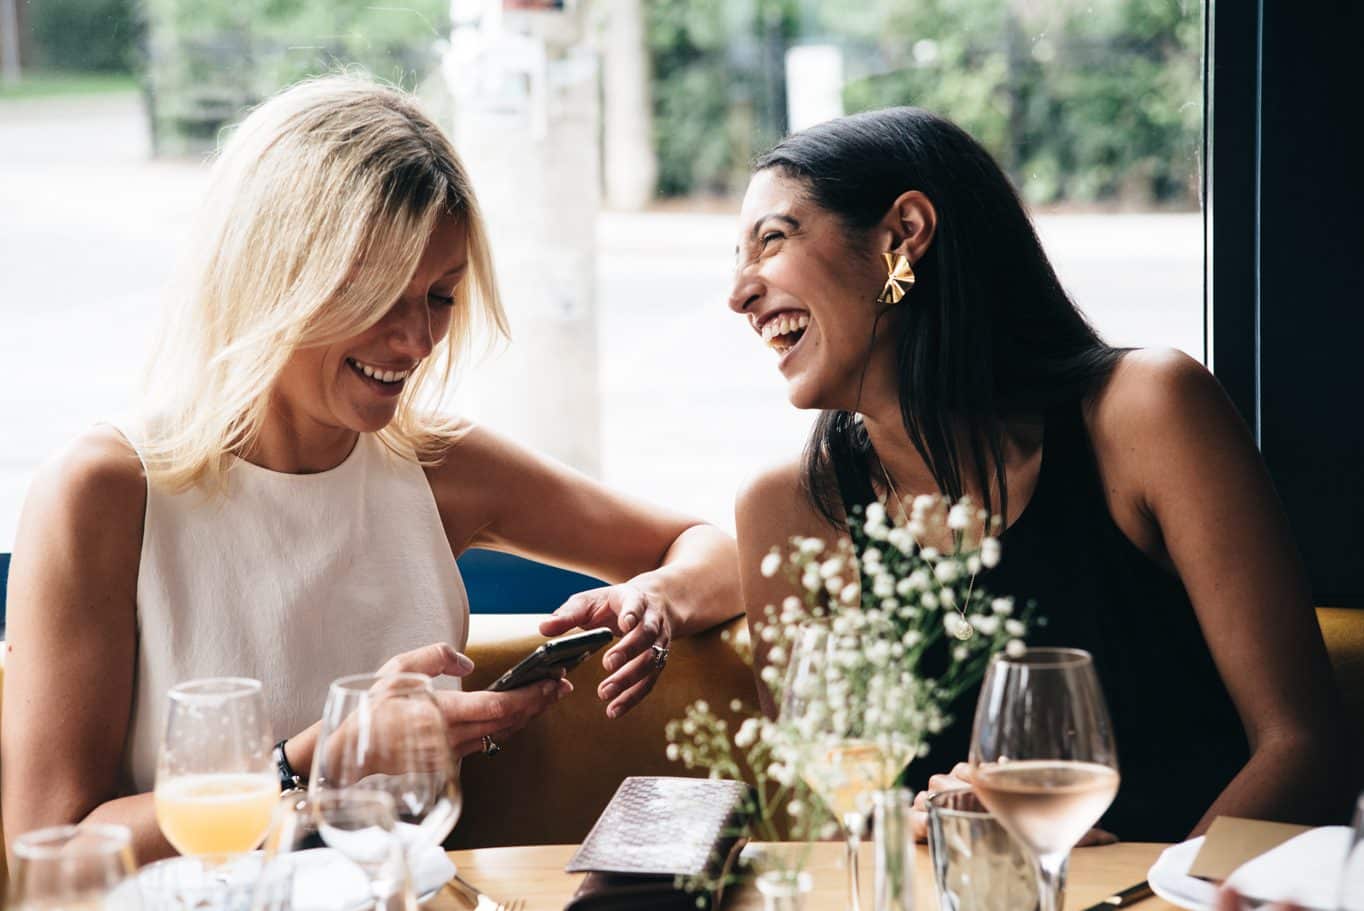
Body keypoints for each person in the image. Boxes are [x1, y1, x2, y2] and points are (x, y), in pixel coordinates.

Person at [0, 75, 740, 862]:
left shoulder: (439, 466)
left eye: (440, 296)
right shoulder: (106, 492)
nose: (416, 340)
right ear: (270, 271)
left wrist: (655, 600)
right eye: (379, 293)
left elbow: (716, 552)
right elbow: (53, 844)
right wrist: (323, 755)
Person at [728, 107, 1352, 843]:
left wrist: (1130, 885)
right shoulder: (790, 509)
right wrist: (911, 835)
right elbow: (821, 834)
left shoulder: (1147, 412)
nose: (740, 293)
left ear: (902, 235)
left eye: (773, 239)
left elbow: (1305, 750)